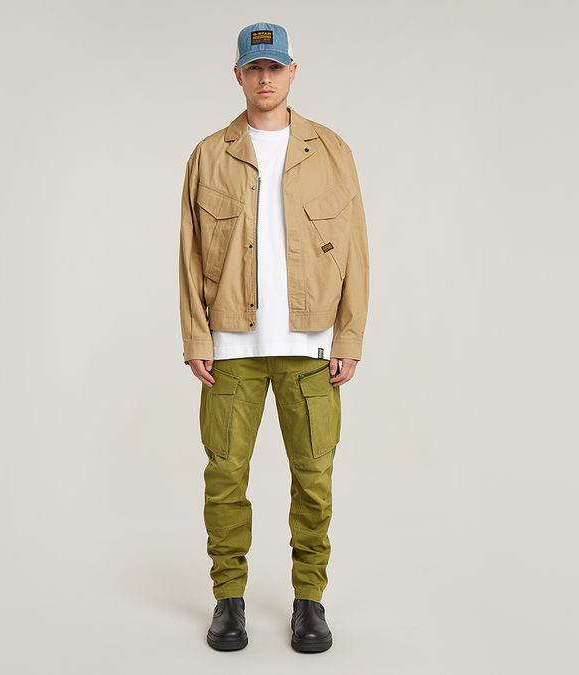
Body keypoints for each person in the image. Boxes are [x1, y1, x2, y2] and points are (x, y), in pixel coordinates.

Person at [177, 21, 369, 654]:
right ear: (238, 75)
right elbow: (189, 253)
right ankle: (228, 600)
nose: (265, 78)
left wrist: (349, 336)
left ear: (292, 72)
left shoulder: (332, 151)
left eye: (275, 67)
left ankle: (309, 601)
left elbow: (356, 250)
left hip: (310, 348)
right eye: (254, 68)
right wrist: (197, 338)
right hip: (231, 348)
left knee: (314, 479)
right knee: (225, 477)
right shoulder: (209, 155)